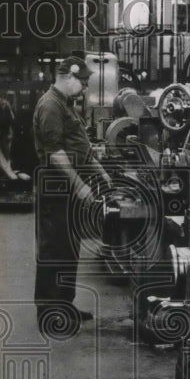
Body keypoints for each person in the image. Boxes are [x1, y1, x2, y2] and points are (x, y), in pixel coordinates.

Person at [32, 56, 111, 335]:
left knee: (69, 249)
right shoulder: (50, 105)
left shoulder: (65, 105)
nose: (86, 87)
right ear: (67, 77)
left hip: (67, 189)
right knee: (53, 249)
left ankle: (64, 306)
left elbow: (79, 145)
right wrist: (79, 185)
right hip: (56, 187)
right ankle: (49, 314)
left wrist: (100, 171)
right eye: (83, 82)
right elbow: (55, 153)